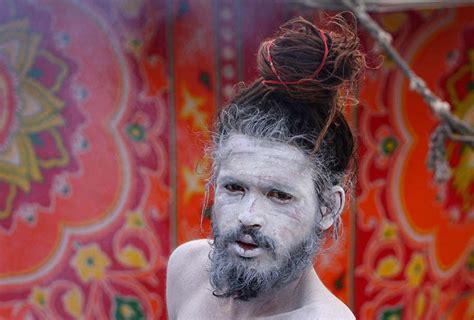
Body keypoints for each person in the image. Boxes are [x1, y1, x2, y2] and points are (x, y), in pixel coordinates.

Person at [166, 15, 365, 319]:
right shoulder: (187, 270)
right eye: (234, 188)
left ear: (328, 208)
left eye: (280, 196)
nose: (248, 216)